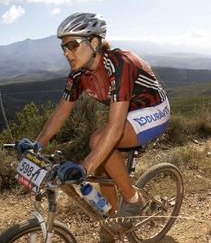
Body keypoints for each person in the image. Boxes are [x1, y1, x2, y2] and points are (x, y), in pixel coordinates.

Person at [16, 12, 170, 231]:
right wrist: (37, 144)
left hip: (153, 110)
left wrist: (84, 167)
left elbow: (115, 129)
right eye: (63, 47)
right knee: (102, 170)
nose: (67, 53)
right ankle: (114, 220)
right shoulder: (79, 74)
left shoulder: (119, 63)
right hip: (127, 115)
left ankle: (134, 199)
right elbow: (61, 112)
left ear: (95, 42)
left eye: (72, 45)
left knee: (98, 141)